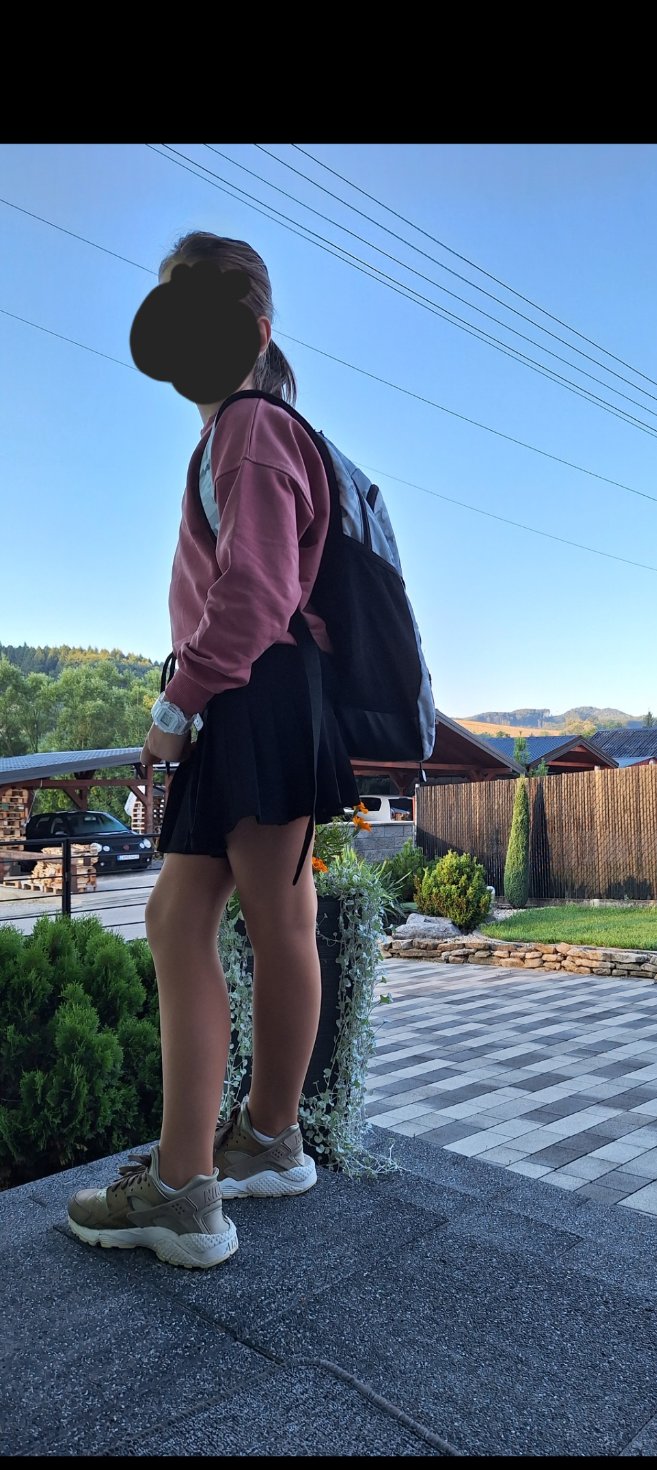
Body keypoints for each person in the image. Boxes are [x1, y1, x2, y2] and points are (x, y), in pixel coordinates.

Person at [67, 231, 360, 1269]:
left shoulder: (245, 430)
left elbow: (254, 593)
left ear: (254, 331)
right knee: (270, 920)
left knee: (190, 919)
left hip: (247, 694)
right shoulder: (266, 429)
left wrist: (176, 704)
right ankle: (265, 1140)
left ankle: (187, 1188)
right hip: (275, 699)